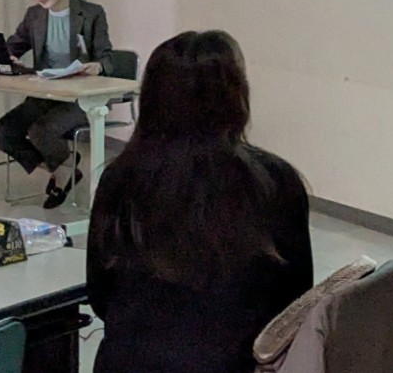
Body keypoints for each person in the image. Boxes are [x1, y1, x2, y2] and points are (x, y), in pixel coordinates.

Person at [87, 30, 313, 373]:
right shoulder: (275, 181)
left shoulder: (119, 178)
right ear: (236, 96)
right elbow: (294, 303)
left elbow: (100, 294)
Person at [0, 0, 114, 209]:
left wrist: (98, 66)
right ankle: (64, 168)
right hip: (47, 93)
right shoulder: (34, 15)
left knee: (41, 130)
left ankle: (63, 171)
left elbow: (107, 57)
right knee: (2, 132)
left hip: (81, 97)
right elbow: (14, 44)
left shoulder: (91, 13)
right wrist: (5, 57)